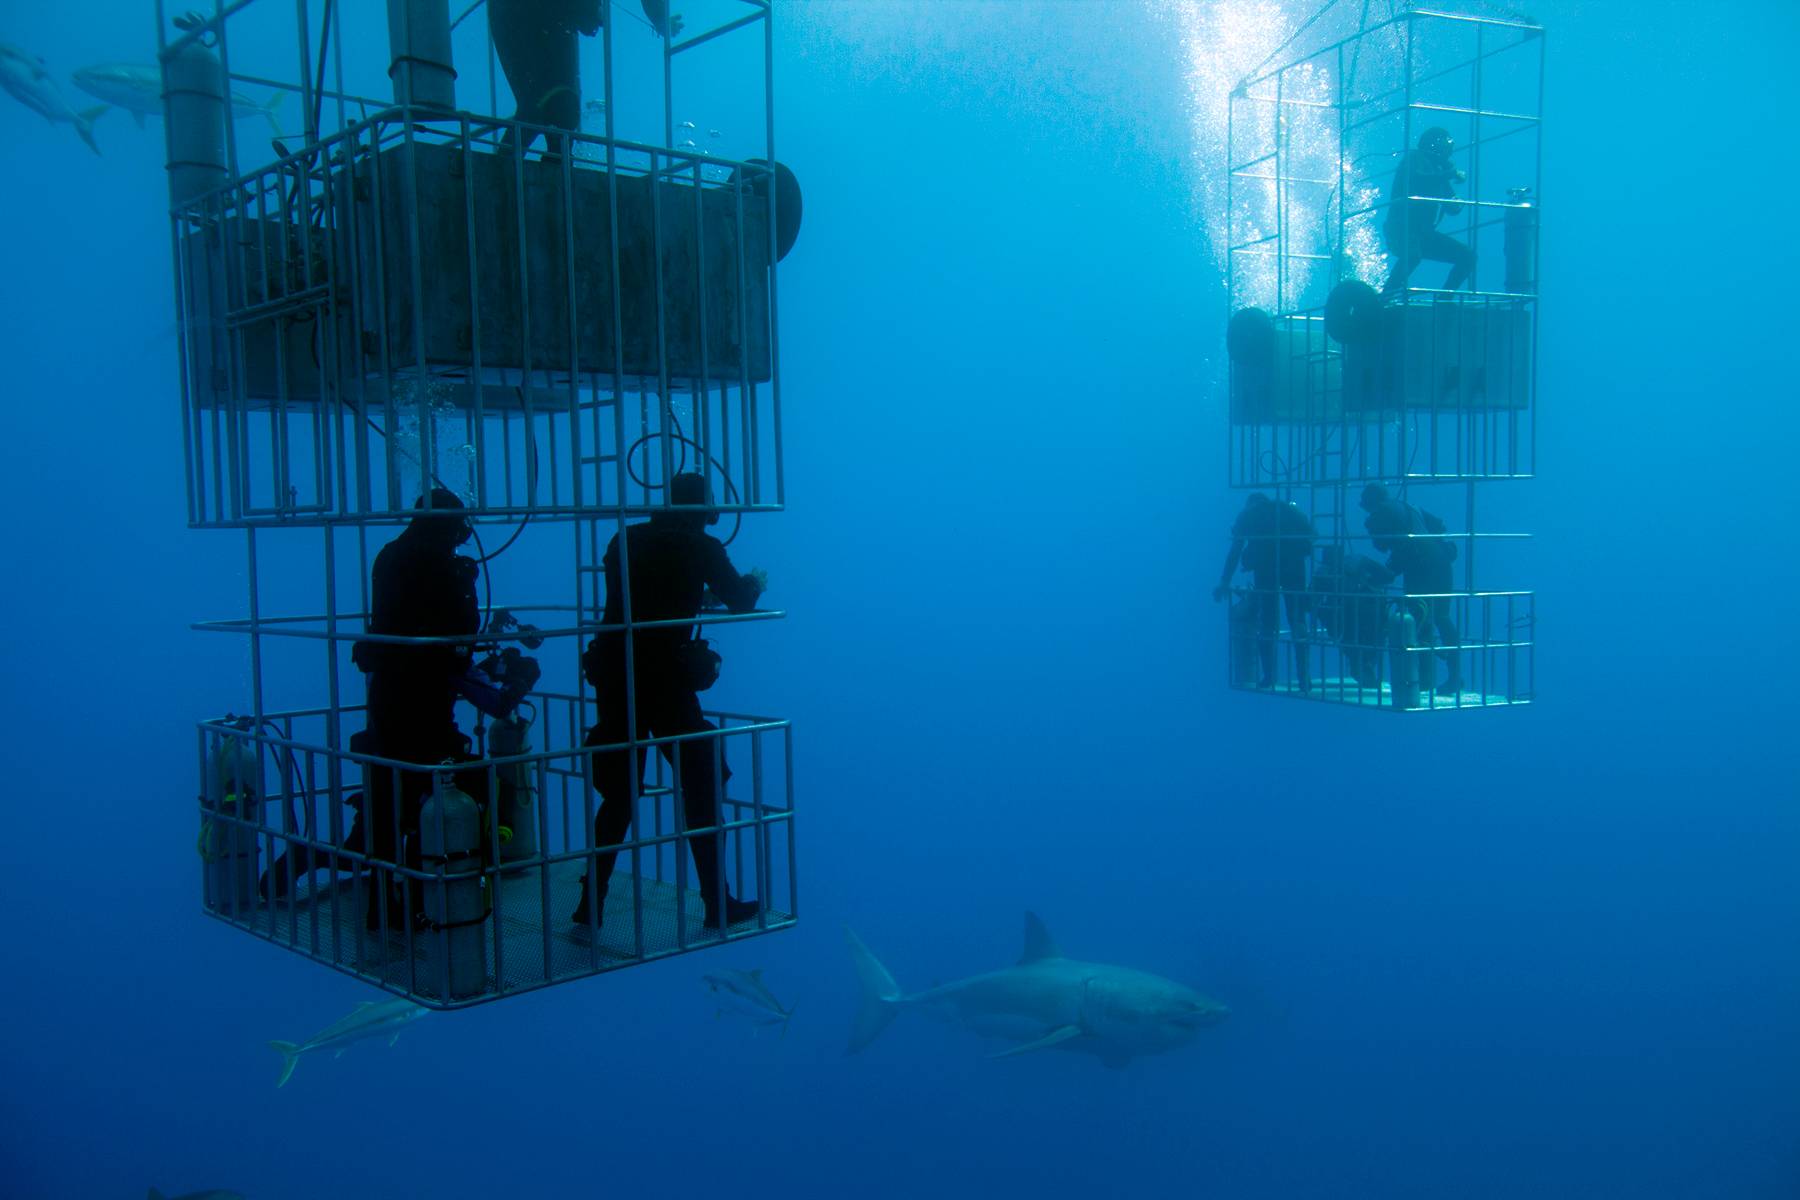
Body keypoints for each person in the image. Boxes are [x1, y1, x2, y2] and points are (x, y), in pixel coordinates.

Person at [573, 472, 766, 933]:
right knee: (701, 782)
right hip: (666, 682)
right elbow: (738, 601)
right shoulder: (704, 548)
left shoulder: (627, 537)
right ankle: (717, 903)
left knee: (619, 794)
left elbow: (639, 593)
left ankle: (590, 903)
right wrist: (755, 582)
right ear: (706, 509)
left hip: (616, 677)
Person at [350, 489, 482, 929]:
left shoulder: (391, 554)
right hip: (424, 697)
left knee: (389, 793)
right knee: (434, 791)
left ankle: (381, 903)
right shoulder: (440, 563)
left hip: (387, 693)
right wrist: (465, 583)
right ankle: (418, 897)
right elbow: (461, 634)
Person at [489, 0, 681, 156]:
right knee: (536, 105)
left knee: (564, 110)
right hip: (516, 13)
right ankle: (503, 176)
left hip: (556, 19)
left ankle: (555, 177)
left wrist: (659, 17)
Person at [1360, 483, 1462, 696]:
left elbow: (1383, 547)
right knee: (1442, 618)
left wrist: (1378, 575)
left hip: (1419, 568)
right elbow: (1440, 525)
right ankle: (1453, 676)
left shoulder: (1381, 512)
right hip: (1441, 561)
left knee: (1417, 619)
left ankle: (1424, 679)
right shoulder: (1410, 506)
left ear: (1371, 502)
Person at [1213, 492, 1314, 692]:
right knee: (1298, 620)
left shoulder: (1248, 514)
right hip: (1295, 568)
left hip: (1266, 571)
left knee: (1268, 623)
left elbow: (1235, 550)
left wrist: (1224, 581)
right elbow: (1312, 535)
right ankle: (1304, 678)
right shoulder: (1289, 509)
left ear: (1250, 503)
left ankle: (1268, 676)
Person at [1381, 126, 1474, 298]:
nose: (1451, 148)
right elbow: (1420, 180)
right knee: (1412, 256)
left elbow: (1451, 207)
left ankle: (1445, 299)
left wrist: (1457, 202)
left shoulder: (1439, 170)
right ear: (1435, 144)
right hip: (1402, 228)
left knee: (1467, 256)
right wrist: (1451, 173)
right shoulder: (1414, 159)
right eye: (1448, 143)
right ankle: (1384, 298)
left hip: (1423, 232)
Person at [1310, 544, 1394, 688]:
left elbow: (1309, 602)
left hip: (1344, 619)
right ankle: (1366, 666)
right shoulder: (1358, 560)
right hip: (1372, 612)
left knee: (1350, 642)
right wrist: (1368, 583)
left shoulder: (1323, 573)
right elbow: (1388, 576)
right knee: (1372, 641)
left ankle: (1362, 666)